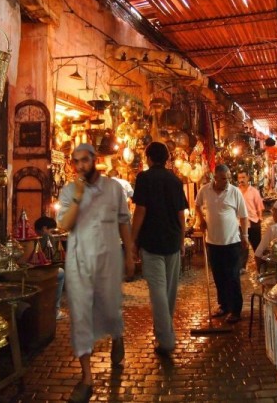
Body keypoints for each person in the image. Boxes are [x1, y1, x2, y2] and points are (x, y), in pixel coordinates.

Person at [57, 143, 135, 403]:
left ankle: (117, 334)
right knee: (80, 316)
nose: (81, 166)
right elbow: (65, 225)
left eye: (85, 160)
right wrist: (78, 197)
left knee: (111, 308)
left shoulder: (114, 189)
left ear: (95, 160)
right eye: (76, 162)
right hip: (79, 262)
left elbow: (124, 222)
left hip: (109, 260)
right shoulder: (68, 191)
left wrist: (130, 255)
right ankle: (87, 378)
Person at [131, 142, 188, 356]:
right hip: (172, 240)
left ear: (148, 157)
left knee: (158, 293)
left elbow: (140, 211)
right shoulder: (175, 180)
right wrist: (182, 240)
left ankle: (165, 340)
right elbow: (181, 214)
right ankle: (163, 332)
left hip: (152, 242)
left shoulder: (144, 179)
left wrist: (133, 241)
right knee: (169, 292)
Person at [195, 164, 249, 324]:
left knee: (232, 276)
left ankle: (235, 310)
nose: (226, 181)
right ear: (215, 177)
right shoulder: (205, 190)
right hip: (212, 242)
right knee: (218, 276)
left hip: (232, 242)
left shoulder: (234, 192)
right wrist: (201, 219)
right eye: (223, 178)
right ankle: (223, 305)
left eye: (228, 178)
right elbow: (197, 205)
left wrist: (245, 236)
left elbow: (244, 216)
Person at [34, 216, 66, 320]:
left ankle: (54, 309)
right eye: (51, 230)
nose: (52, 233)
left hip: (36, 268)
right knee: (60, 272)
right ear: (44, 229)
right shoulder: (45, 238)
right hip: (37, 270)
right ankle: (55, 310)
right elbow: (52, 257)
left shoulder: (36, 237)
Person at [236, 170, 264, 273]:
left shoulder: (254, 191)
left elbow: (259, 206)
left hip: (253, 221)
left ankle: (261, 267)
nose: (241, 180)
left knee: (257, 246)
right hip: (240, 223)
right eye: (239, 178)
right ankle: (242, 267)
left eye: (243, 177)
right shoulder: (236, 192)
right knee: (242, 246)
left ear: (248, 178)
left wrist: (260, 218)